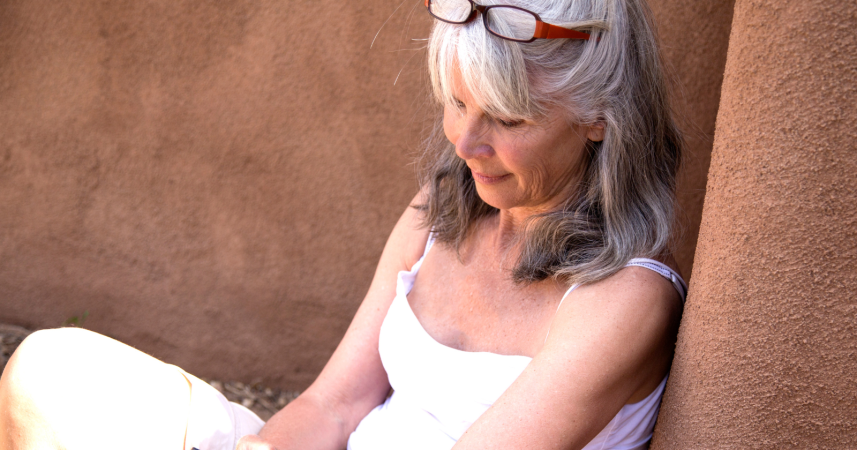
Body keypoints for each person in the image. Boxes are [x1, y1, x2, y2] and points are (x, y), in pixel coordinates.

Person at [0, 0, 686, 448]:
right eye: (456, 103)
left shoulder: (625, 298)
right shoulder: (442, 211)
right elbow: (333, 407)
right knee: (50, 371)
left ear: (599, 118)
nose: (465, 143)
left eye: (507, 119)